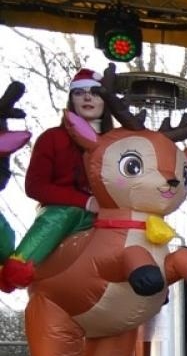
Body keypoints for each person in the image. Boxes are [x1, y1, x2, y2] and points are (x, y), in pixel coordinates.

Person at [1, 69, 108, 292]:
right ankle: (17, 267)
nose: (87, 97)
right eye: (79, 93)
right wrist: (85, 202)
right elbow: (35, 186)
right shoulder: (53, 138)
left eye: (95, 93)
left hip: (108, 214)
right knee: (63, 213)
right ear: (71, 99)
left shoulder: (116, 142)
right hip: (60, 215)